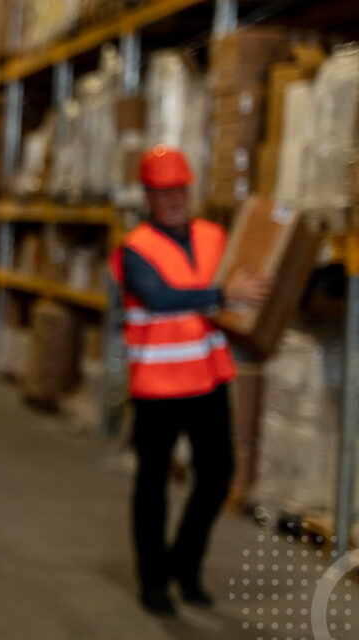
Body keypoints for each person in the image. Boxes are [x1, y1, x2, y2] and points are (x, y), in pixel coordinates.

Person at [111, 145, 270, 617]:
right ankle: (154, 580)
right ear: (149, 197)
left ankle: (185, 564)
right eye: (165, 193)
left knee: (218, 477)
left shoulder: (214, 235)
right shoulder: (135, 249)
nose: (175, 200)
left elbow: (248, 272)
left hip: (208, 378)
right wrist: (225, 293)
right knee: (153, 485)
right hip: (157, 387)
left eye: (180, 190)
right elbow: (159, 298)